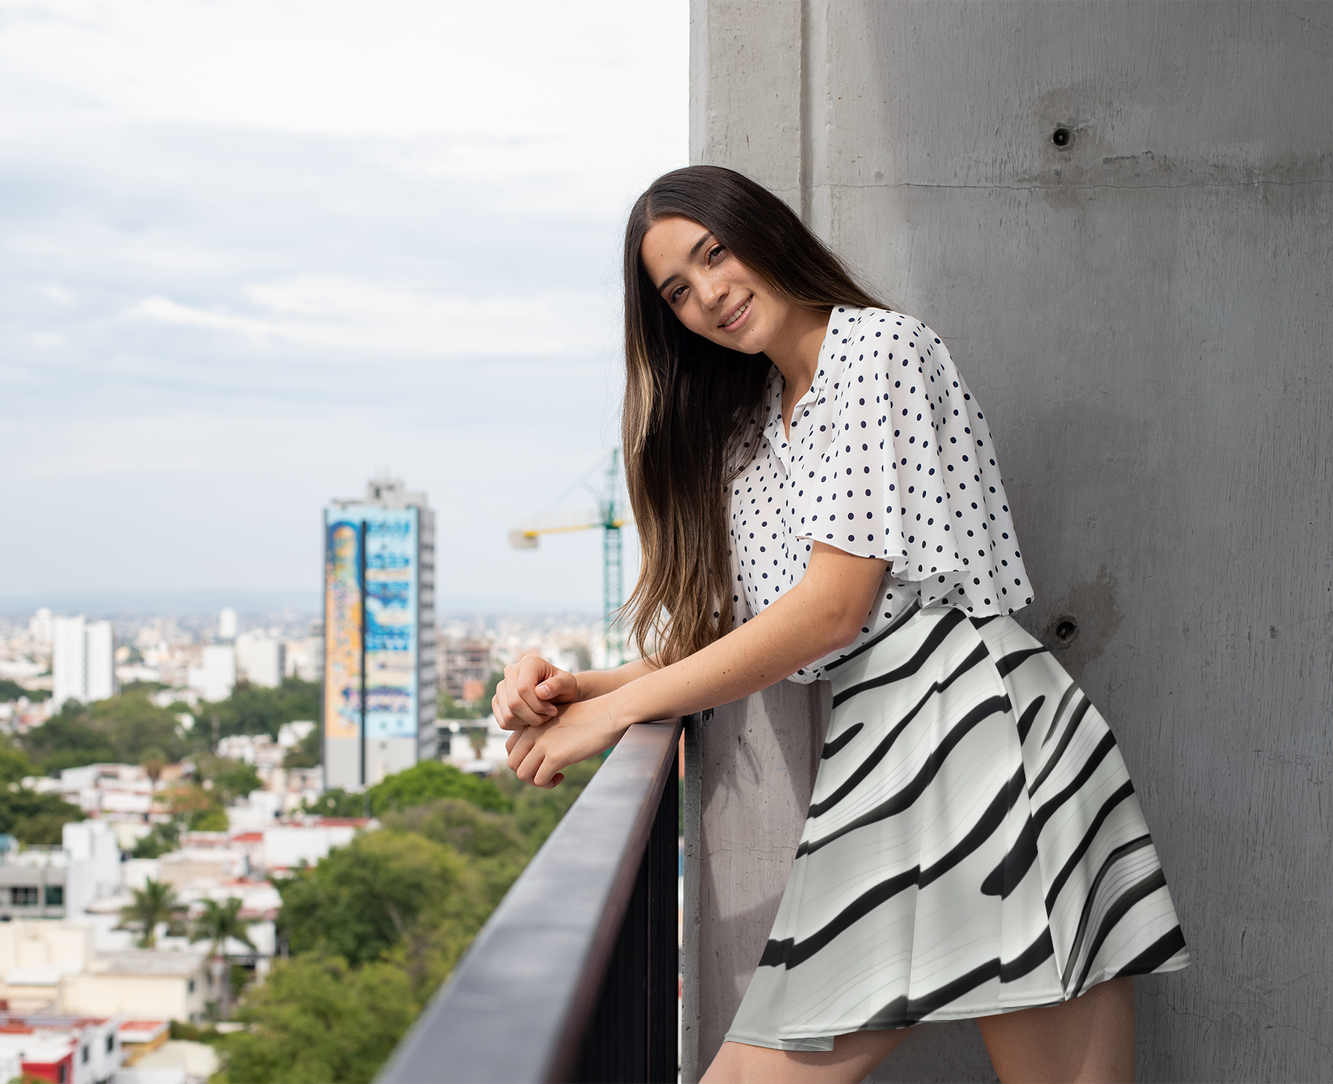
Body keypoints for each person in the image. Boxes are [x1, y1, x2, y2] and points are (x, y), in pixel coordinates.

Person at [496, 165, 1189, 1084]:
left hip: (977, 732)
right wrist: (579, 690)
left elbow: (830, 611)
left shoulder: (878, 351)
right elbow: (747, 635)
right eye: (677, 291)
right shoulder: (750, 433)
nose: (708, 294)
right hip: (894, 746)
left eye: (715, 253)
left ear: (765, 233)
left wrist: (613, 715)